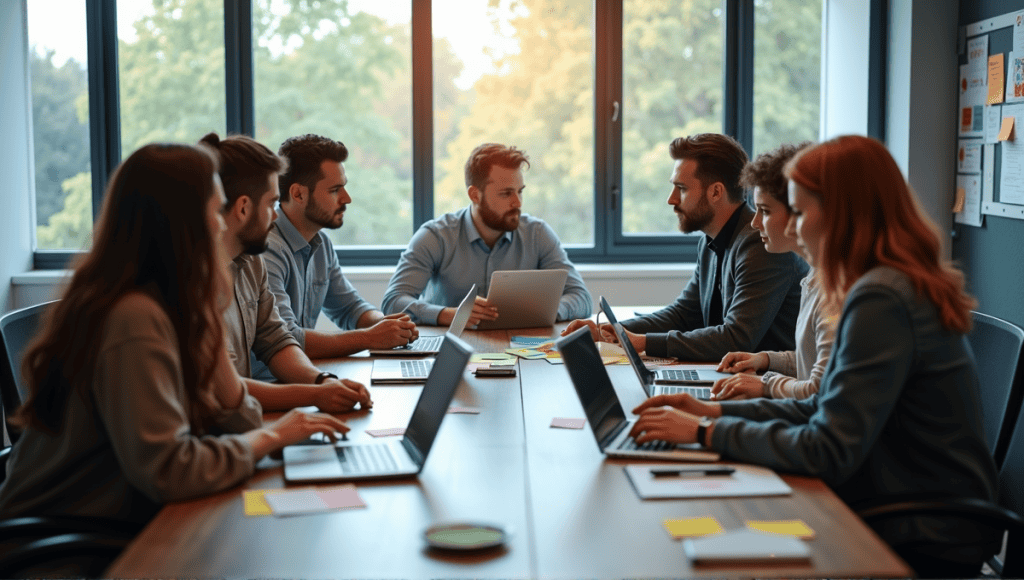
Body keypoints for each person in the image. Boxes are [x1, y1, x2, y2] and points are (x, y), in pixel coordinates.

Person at [628, 135, 1000, 577]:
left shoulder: (881, 298)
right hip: (895, 499)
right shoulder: (881, 284)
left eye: (801, 213)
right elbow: (819, 405)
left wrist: (707, 433)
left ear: (841, 214)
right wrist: (712, 410)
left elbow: (827, 447)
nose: (796, 228)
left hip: (920, 529)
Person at [0, 143, 348, 527]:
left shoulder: (174, 303)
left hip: (120, 519)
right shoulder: (133, 317)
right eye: (215, 210)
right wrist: (274, 436)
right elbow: (171, 471)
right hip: (65, 548)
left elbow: (238, 421)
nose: (221, 224)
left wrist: (211, 340)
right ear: (180, 222)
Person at [563, 133, 806, 362]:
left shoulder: (760, 243)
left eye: (682, 188)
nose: (671, 199)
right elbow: (684, 314)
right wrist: (612, 330)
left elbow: (736, 338)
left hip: (768, 384)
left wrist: (642, 342)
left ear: (716, 192)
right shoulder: (710, 241)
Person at [199, 133, 371, 412]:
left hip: (247, 416)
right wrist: (313, 395)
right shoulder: (195, 283)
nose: (276, 215)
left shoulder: (252, 263)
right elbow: (226, 388)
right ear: (243, 208)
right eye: (270, 204)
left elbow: (276, 339)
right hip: (231, 423)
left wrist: (321, 381)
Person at [382, 143, 592, 326]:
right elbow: (393, 301)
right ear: (475, 195)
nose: (517, 203)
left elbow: (581, 298)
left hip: (521, 349)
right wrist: (449, 315)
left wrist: (546, 312)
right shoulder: (435, 236)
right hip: (450, 347)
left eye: (520, 191)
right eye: (506, 193)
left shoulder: (537, 234)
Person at [262, 134, 418, 365]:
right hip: (271, 386)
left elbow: (349, 308)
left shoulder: (320, 243)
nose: (347, 198)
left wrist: (387, 324)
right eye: (335, 190)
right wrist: (370, 337)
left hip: (305, 374)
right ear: (298, 194)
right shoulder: (267, 250)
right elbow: (288, 338)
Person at [711, 142, 838, 400]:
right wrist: (766, 359)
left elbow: (818, 389)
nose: (755, 223)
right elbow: (811, 359)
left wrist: (766, 383)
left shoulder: (836, 289)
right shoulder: (815, 277)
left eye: (765, 211)